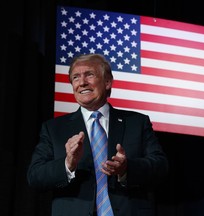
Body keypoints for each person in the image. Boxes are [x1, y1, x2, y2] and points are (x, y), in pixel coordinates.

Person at [27, 53, 169, 216]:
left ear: (107, 82)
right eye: (75, 78)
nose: (82, 82)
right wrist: (67, 164)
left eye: (89, 74)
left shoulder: (137, 122)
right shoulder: (54, 128)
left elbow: (161, 166)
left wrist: (126, 168)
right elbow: (35, 176)